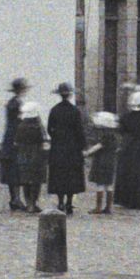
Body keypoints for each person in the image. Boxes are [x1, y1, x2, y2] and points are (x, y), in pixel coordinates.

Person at [46, 84, 87, 215]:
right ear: (69, 95)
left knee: (59, 174)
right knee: (71, 175)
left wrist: (57, 138)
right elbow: (79, 130)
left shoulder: (54, 110)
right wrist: (82, 146)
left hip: (58, 146)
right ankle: (69, 201)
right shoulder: (74, 111)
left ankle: (60, 201)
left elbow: (49, 129)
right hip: (72, 147)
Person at [0, 78, 29, 211]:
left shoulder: (13, 103)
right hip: (14, 140)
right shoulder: (16, 105)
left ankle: (15, 198)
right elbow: (18, 124)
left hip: (10, 139)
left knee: (13, 170)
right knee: (15, 170)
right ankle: (16, 199)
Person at [12, 101, 47, 213]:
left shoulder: (21, 126)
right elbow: (43, 140)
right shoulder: (37, 127)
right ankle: (33, 203)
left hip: (23, 155)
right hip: (36, 155)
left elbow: (16, 142)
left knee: (25, 180)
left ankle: (28, 203)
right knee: (36, 180)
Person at [88, 111, 118, 215]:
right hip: (111, 161)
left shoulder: (105, 136)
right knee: (109, 185)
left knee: (100, 184)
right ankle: (108, 207)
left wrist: (87, 152)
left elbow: (98, 146)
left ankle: (98, 207)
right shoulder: (114, 136)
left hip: (102, 161)